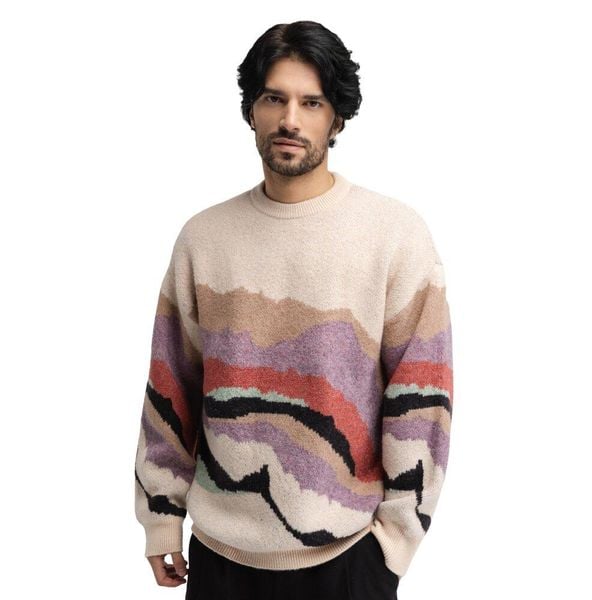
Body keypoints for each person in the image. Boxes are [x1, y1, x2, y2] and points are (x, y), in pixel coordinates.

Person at [134, 19, 453, 600]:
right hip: (220, 560)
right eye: (274, 99)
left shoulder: (393, 235)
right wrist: (161, 515)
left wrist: (395, 543)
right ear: (251, 110)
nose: (290, 120)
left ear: (337, 118)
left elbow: (422, 398)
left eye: (312, 103)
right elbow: (172, 385)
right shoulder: (204, 238)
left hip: (348, 560)